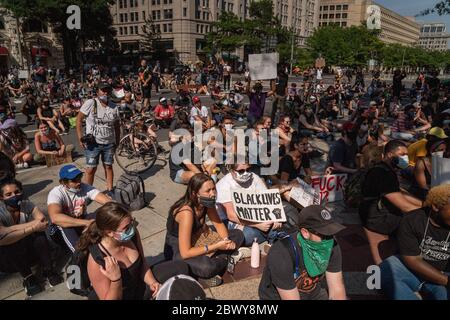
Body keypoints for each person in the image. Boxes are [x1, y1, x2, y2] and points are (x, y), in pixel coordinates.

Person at [78, 202, 189, 300]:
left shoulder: (133, 234)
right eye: (126, 227)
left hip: (138, 287)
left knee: (181, 267)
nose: (132, 228)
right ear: (109, 232)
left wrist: (152, 282)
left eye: (131, 222)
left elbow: (142, 264)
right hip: (119, 296)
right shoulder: (97, 260)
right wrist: (115, 279)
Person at [164, 174, 244, 285]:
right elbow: (186, 252)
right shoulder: (186, 213)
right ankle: (224, 259)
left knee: (238, 234)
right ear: (195, 194)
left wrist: (226, 241)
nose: (213, 193)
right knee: (207, 267)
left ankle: (219, 259)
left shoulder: (207, 202)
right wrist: (217, 246)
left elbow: (219, 225)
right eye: (208, 191)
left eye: (213, 189)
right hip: (178, 247)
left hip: (199, 236)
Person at [258, 205, 347, 300]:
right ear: (305, 233)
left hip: (314, 294)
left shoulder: (330, 244)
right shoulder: (280, 253)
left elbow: (337, 289)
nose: (329, 240)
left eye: (331, 233)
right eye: (324, 234)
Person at [380, 185, 450, 300]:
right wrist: (446, 281)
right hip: (413, 270)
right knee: (383, 271)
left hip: (444, 273)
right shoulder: (412, 220)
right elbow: (412, 260)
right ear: (436, 207)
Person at [0, 179, 63, 297]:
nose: (14, 196)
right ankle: (29, 279)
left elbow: (42, 222)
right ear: (1, 197)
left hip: (30, 254)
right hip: (9, 261)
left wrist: (10, 230)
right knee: (12, 240)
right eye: (9, 194)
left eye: (17, 192)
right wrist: (31, 227)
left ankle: (49, 271)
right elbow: (2, 237)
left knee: (39, 234)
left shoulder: (26, 204)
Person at [359, 140, 423, 256]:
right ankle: (409, 256)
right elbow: (403, 204)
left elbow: (400, 193)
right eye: (402, 154)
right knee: (414, 222)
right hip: (377, 219)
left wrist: (424, 204)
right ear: (390, 155)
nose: (406, 158)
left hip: (374, 213)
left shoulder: (384, 169)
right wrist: (426, 212)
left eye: (406, 155)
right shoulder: (383, 173)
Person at [215, 162, 296, 247]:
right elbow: (232, 216)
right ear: (232, 171)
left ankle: (275, 238)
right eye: (241, 171)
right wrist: (257, 225)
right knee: (248, 235)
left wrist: (276, 218)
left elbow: (267, 198)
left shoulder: (254, 177)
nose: (246, 173)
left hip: (254, 213)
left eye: (248, 170)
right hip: (232, 220)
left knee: (285, 212)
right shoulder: (224, 185)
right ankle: (275, 237)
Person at [47, 165, 112, 252]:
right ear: (63, 182)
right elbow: (55, 218)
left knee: (105, 211)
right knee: (67, 229)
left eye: (79, 177)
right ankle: (79, 254)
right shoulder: (56, 193)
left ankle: (106, 242)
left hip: (80, 221)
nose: (78, 182)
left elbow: (108, 202)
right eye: (74, 180)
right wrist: (86, 223)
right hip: (61, 228)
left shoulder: (84, 187)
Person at [76, 82, 120, 195]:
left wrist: (117, 141)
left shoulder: (114, 107)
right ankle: (88, 192)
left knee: (108, 166)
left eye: (107, 90)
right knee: (91, 169)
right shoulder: (91, 103)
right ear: (97, 92)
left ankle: (110, 190)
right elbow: (79, 119)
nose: (105, 92)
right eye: (102, 90)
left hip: (109, 143)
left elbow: (116, 125)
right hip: (93, 143)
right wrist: (80, 137)